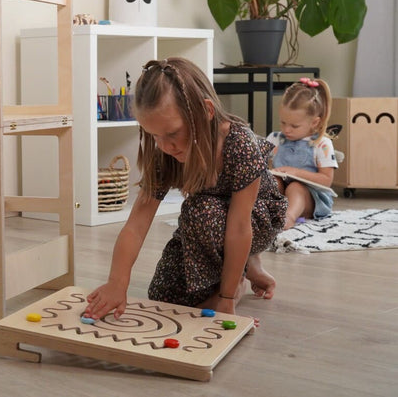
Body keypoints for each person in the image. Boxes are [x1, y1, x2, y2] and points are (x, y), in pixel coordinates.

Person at [84, 58, 287, 321]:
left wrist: (225, 299)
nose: (165, 146)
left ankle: (238, 277)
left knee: (201, 210)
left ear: (206, 112)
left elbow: (239, 227)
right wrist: (117, 283)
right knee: (163, 297)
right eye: (154, 136)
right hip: (206, 226)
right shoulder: (165, 151)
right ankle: (246, 268)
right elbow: (136, 224)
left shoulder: (240, 144)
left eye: (172, 133)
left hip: (254, 221)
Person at [266, 78, 338, 230]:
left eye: (294, 126)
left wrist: (295, 172)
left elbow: (326, 180)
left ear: (314, 122)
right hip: (283, 194)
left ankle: (288, 218)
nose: (287, 130)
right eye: (283, 122)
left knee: (296, 187)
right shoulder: (275, 139)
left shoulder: (322, 144)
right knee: (271, 181)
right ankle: (264, 214)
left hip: (311, 198)